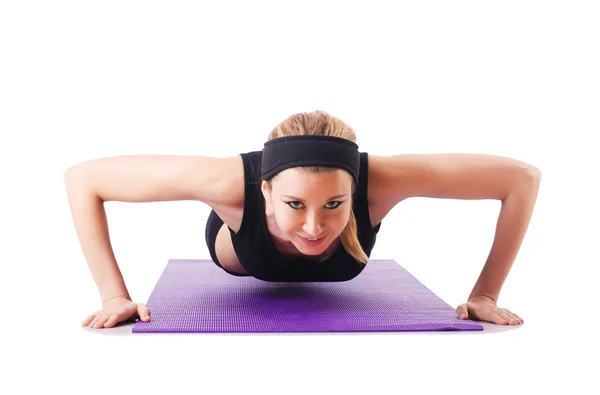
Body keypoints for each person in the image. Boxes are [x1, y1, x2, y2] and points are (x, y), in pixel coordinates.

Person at [64, 110, 541, 329]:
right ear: (266, 190)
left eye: (334, 204)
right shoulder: (229, 182)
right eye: (295, 205)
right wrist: (114, 295)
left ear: (356, 188)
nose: (313, 227)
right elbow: (85, 179)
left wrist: (485, 294)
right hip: (243, 252)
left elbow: (520, 179)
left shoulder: (387, 178)